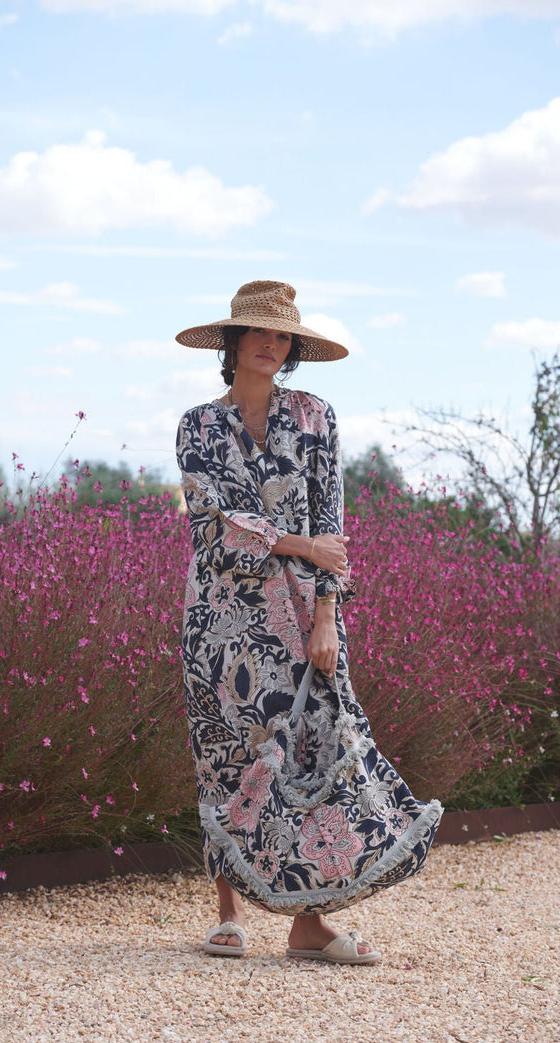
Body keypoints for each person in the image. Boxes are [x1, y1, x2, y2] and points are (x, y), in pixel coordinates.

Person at [175, 281, 442, 966]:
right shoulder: (197, 426)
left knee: (310, 750)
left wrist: (328, 614)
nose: (271, 344)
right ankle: (229, 913)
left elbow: (332, 524)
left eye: (282, 335)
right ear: (233, 341)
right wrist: (302, 546)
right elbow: (214, 526)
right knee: (225, 754)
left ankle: (308, 922)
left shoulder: (315, 416)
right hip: (221, 620)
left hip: (302, 615)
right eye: (258, 331)